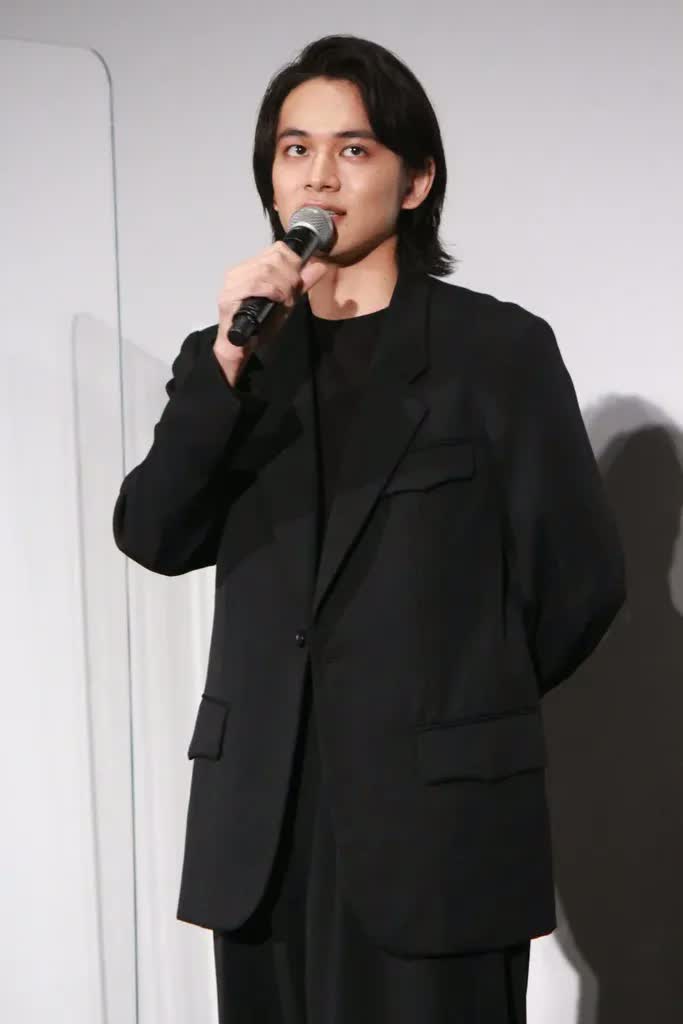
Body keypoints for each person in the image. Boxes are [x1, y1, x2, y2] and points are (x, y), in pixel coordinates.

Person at [112, 33, 626, 1024]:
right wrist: (226, 364)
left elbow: (579, 582)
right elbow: (155, 533)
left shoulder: (495, 352)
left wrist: (457, 699)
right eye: (294, 149)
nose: (319, 175)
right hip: (262, 827)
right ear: (270, 180)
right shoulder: (232, 361)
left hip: (437, 825)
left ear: (415, 179)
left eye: (352, 149)